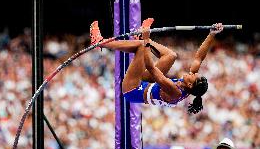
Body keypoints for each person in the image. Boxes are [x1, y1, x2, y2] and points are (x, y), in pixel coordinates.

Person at [90, 18, 223, 114]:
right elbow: (199, 58)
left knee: (142, 46)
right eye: (194, 73)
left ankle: (101, 43)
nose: (192, 73)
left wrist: (147, 40)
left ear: (190, 85)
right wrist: (212, 34)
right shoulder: (189, 84)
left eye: (193, 76)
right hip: (147, 83)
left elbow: (151, 67)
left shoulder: (174, 91)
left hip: (132, 89)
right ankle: (141, 35)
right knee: (171, 55)